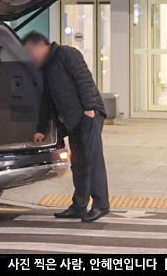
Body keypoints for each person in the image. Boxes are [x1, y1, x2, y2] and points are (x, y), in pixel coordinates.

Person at [22, 31, 110, 223]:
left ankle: (101, 204)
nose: (30, 57)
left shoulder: (67, 54)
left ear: (40, 45)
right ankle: (79, 205)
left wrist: (89, 108)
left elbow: (84, 79)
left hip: (89, 115)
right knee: (78, 162)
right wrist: (41, 128)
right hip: (73, 120)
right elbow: (46, 100)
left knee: (92, 160)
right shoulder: (46, 68)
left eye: (30, 51)